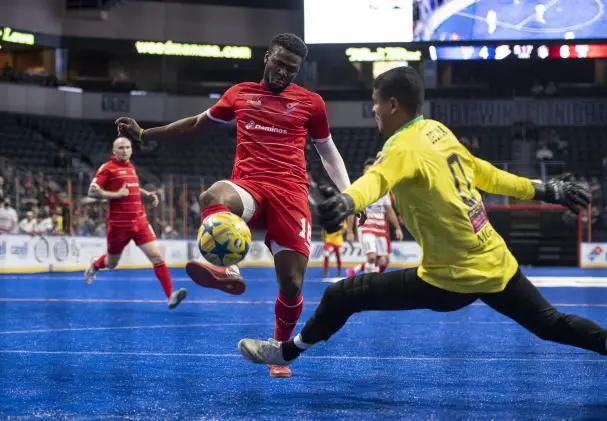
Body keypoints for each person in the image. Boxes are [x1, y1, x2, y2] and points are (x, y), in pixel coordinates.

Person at [237, 66, 607, 370]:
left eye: (375, 101)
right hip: (495, 263)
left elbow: (375, 180)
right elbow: (486, 174)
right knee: (552, 324)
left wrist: (345, 202)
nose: (373, 109)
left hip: (448, 281)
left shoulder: (400, 146)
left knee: (342, 295)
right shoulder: (438, 131)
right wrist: (547, 190)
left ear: (391, 104)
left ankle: (286, 353)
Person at [115, 33, 352, 378]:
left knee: (292, 284)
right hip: (249, 186)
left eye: (292, 69)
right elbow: (197, 124)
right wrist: (145, 134)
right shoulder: (240, 93)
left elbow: (327, 150)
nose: (284, 73)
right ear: (267, 56)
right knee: (213, 196)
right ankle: (228, 268)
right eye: (280, 63)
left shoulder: (311, 103)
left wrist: (348, 193)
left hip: (291, 194)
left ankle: (278, 352)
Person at [83, 137, 187, 310]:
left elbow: (131, 187)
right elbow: (92, 191)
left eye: (127, 147)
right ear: (114, 151)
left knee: (157, 257)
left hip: (140, 222)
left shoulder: (130, 167)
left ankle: (170, 296)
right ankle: (94, 265)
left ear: (131, 150)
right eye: (121, 148)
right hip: (118, 226)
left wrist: (146, 194)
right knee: (111, 263)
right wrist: (116, 195)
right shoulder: (107, 168)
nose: (124, 150)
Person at [347, 159, 403, 276]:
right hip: (365, 227)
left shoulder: (383, 189)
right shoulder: (358, 187)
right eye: (368, 170)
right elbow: (352, 211)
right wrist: (350, 231)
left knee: (381, 261)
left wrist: (397, 228)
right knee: (371, 257)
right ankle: (367, 287)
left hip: (381, 229)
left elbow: (389, 210)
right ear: (363, 172)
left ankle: (364, 276)